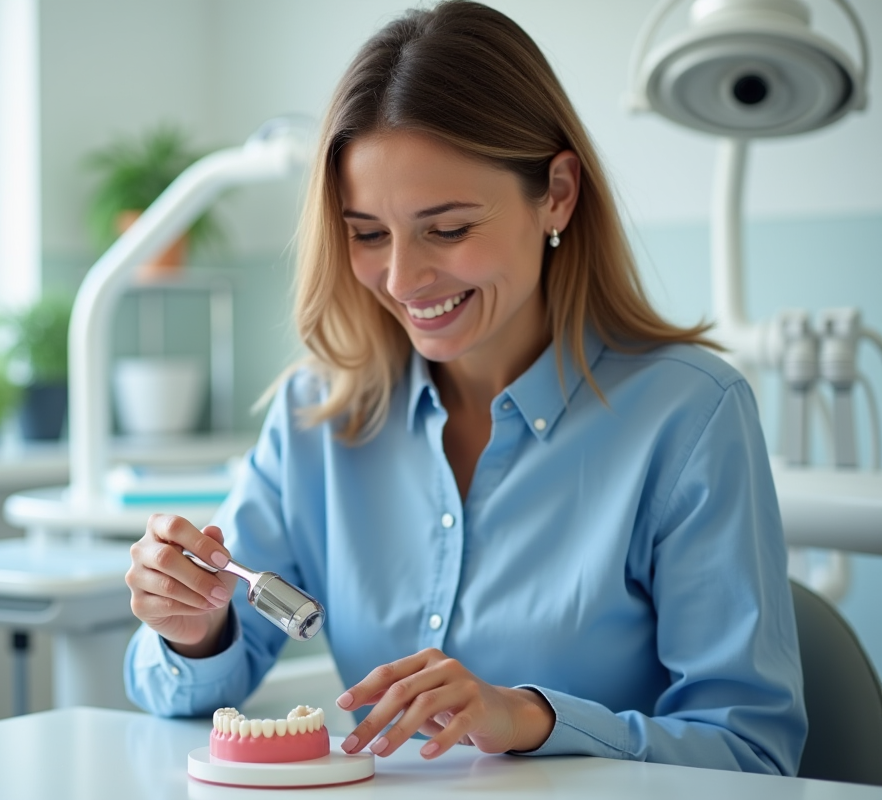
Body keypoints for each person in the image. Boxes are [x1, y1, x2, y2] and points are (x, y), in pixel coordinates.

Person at [123, 0, 806, 776]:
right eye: (368, 233)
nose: (404, 279)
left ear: (556, 192)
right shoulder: (318, 417)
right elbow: (187, 690)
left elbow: (754, 755)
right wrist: (191, 628)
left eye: (446, 229)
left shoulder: (689, 417)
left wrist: (531, 718)